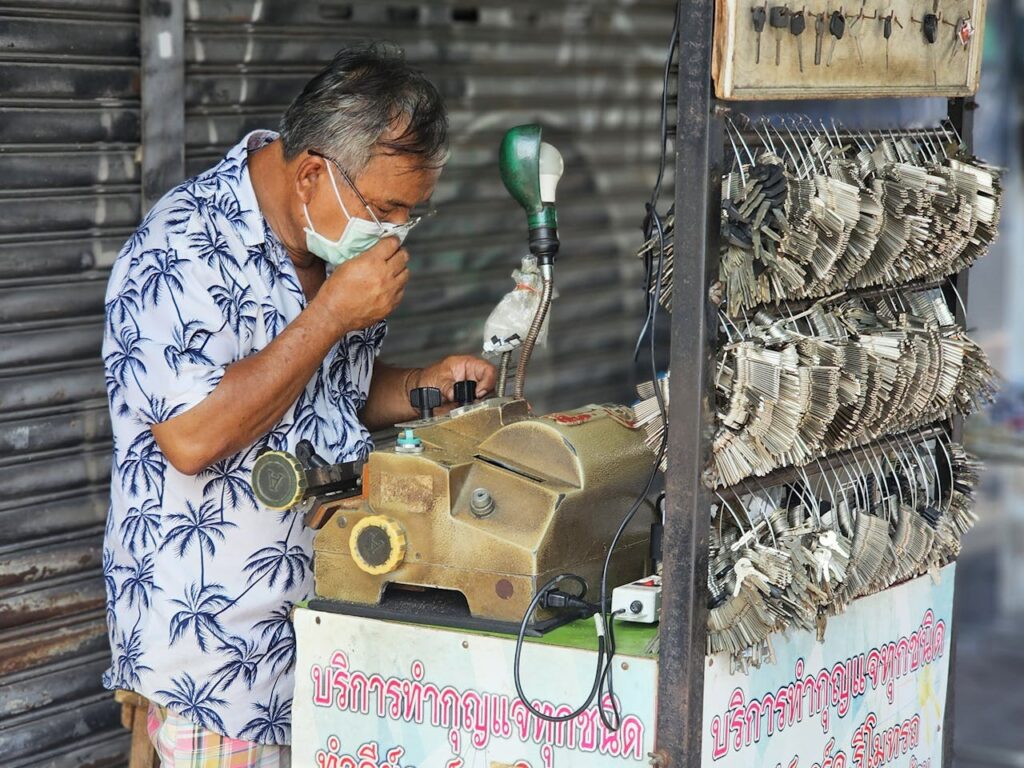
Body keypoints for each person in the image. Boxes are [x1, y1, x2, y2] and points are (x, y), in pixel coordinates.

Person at [101, 44, 495, 767]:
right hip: (219, 660)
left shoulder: (341, 252)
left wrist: (424, 387)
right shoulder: (181, 247)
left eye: (414, 214)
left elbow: (327, 392)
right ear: (313, 172)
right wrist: (331, 316)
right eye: (388, 208)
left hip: (331, 635)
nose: (398, 230)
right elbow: (192, 436)